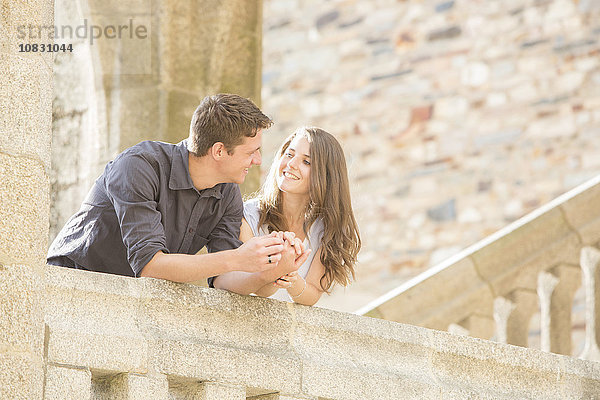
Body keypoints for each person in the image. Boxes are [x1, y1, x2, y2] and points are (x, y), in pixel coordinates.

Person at [47, 93, 301, 283]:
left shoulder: (226, 191)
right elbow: (150, 266)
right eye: (252, 152)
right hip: (69, 284)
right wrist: (237, 258)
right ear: (219, 151)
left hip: (132, 297)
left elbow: (224, 281)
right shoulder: (138, 167)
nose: (258, 160)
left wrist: (272, 264)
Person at [213, 127, 361, 305]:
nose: (291, 164)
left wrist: (291, 276)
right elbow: (256, 289)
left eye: (307, 162)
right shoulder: (246, 215)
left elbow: (311, 295)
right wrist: (276, 266)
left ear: (326, 176)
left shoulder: (329, 229)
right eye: (289, 155)